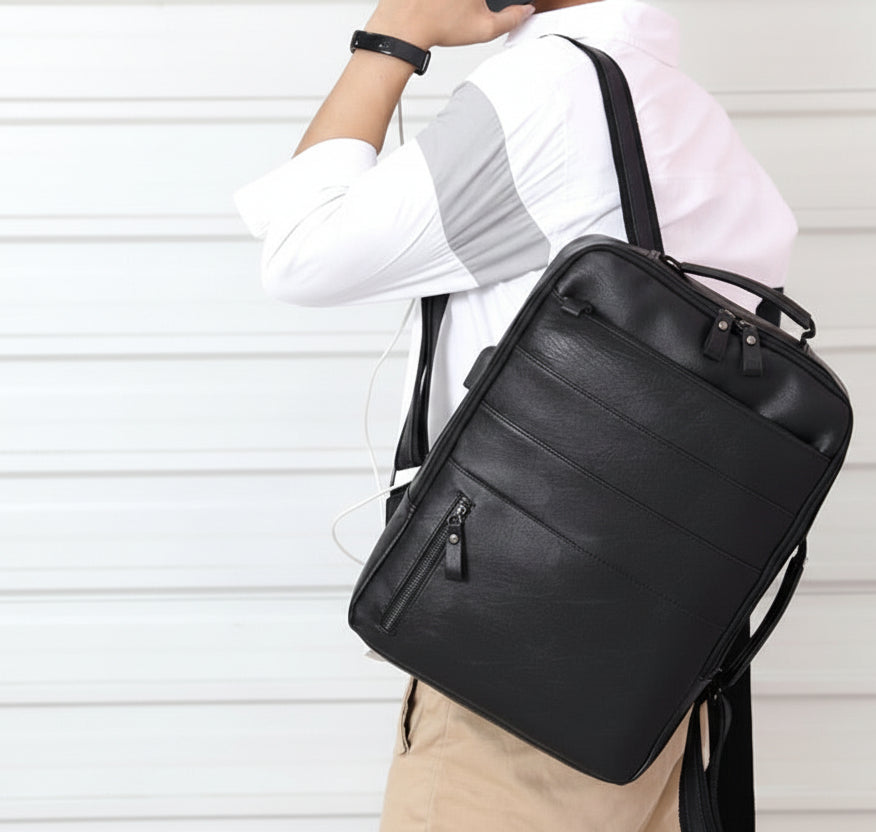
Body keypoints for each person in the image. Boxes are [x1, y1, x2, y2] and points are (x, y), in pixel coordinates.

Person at [233, 0, 796, 828]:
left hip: (519, 671)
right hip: (666, 674)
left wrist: (397, 32)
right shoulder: (685, 109)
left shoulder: (549, 90)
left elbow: (300, 252)